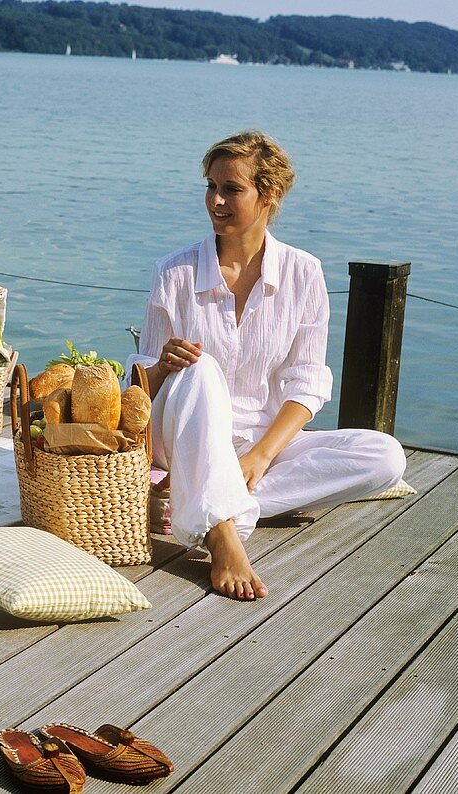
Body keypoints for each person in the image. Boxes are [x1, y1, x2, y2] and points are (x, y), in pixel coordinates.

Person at [127, 130, 406, 602]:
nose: (215, 200)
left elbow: (308, 381)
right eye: (210, 186)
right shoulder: (173, 273)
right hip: (179, 439)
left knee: (384, 456)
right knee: (200, 370)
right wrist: (159, 370)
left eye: (231, 189)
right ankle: (220, 534)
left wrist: (257, 458)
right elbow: (138, 392)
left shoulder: (303, 273)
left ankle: (200, 505)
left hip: (258, 445)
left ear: (268, 194)